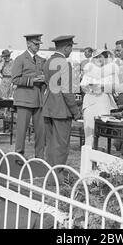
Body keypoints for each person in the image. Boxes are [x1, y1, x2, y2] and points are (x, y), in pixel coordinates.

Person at [42, 35, 82, 170]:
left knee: (51, 143)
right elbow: (66, 91)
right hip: (61, 109)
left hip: (48, 106)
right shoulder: (64, 63)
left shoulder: (48, 62)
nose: (71, 51)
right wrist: (75, 111)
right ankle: (57, 175)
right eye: (71, 47)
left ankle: (50, 173)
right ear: (66, 47)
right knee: (61, 145)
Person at [11, 34, 46, 164]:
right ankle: (19, 156)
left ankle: (39, 157)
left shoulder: (42, 60)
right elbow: (15, 79)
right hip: (24, 99)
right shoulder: (20, 59)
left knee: (41, 131)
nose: (38, 46)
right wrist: (32, 80)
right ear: (28, 44)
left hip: (38, 99)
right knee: (21, 130)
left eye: (39, 44)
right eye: (35, 44)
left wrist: (44, 79)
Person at [81, 49, 119, 146]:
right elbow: (83, 85)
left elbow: (116, 87)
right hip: (90, 102)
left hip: (103, 102)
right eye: (96, 57)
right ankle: (88, 157)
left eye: (101, 57)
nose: (99, 59)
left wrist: (102, 87)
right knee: (89, 131)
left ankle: (101, 157)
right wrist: (90, 87)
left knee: (102, 131)